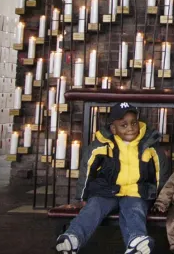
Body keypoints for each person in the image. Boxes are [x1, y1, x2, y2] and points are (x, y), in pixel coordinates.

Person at [55, 102, 168, 254]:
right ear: (113, 128)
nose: (130, 128)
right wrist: (82, 197)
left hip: (137, 191)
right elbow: (87, 170)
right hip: (107, 190)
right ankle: (73, 237)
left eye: (133, 123)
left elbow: (162, 173)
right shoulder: (102, 145)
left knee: (134, 209)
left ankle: (136, 241)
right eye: (124, 125)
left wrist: (161, 200)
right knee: (93, 208)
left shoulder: (150, 146)